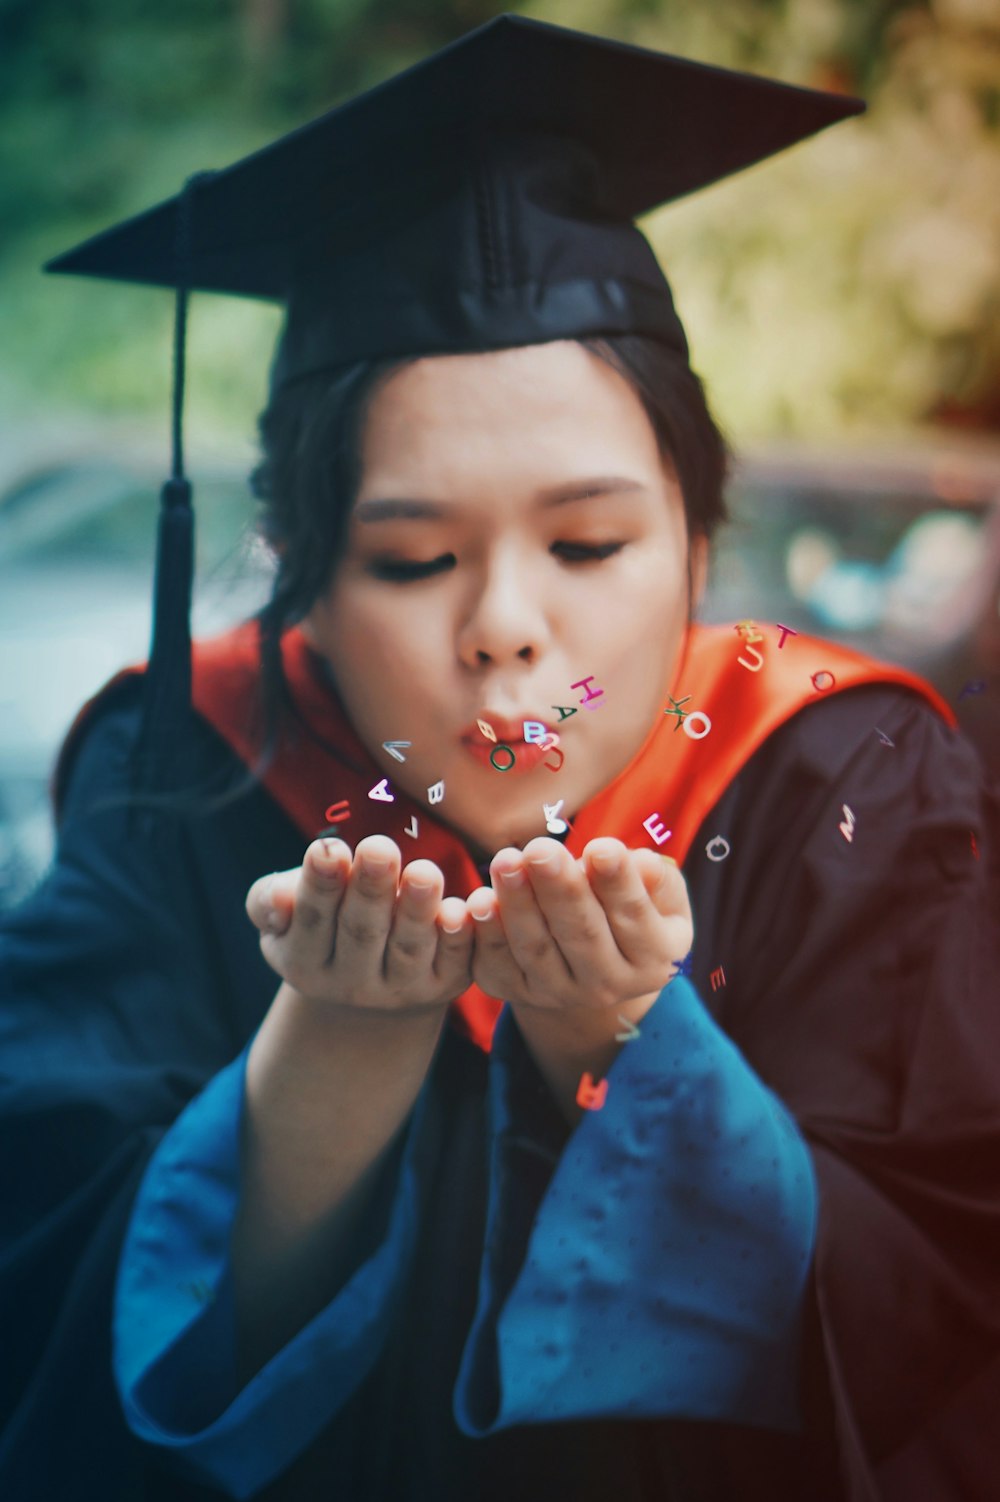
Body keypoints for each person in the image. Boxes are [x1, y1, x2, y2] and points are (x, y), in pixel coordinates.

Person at [2, 13, 998, 1502]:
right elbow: (52, 1310)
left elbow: (939, 1305)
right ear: (308, 593)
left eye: (589, 541)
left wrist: (621, 1042)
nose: (507, 630)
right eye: (411, 560)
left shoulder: (846, 785)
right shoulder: (179, 777)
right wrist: (331, 1051)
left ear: (700, 542)